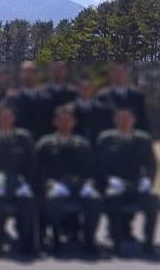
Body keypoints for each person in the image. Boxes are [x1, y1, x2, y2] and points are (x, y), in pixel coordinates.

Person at [35, 105, 101, 254]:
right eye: (61, 120)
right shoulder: (45, 143)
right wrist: (48, 183)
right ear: (54, 122)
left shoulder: (82, 144)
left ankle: (89, 239)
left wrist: (88, 183)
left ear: (74, 122)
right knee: (54, 200)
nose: (65, 123)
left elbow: (91, 168)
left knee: (94, 199)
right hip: (55, 184)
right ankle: (56, 238)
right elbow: (38, 169)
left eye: (68, 120)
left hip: (79, 184)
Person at [97, 107, 158, 255]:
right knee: (112, 198)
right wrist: (108, 180)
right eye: (121, 119)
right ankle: (117, 243)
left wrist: (147, 180)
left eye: (127, 119)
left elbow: (151, 164)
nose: (124, 122)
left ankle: (149, 243)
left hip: (137, 182)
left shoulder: (143, 139)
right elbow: (99, 164)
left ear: (133, 120)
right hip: (115, 183)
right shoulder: (105, 139)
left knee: (152, 200)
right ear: (115, 120)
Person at [0, 103, 37, 256]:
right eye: (2, 116)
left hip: (19, 181)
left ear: (14, 118)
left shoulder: (24, 137)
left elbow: (32, 164)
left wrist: (27, 184)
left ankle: (26, 244)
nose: (5, 119)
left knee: (27, 202)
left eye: (8, 116)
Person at [5, 61, 53, 140]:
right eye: (25, 72)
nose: (28, 76)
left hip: (40, 138)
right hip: (18, 139)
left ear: (36, 75)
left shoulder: (46, 98)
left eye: (31, 73)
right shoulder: (13, 97)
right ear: (20, 75)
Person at [96, 63, 149, 131]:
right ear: (110, 75)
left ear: (126, 73)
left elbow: (142, 119)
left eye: (121, 71)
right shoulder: (102, 96)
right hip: (110, 135)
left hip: (134, 134)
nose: (119, 75)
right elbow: (100, 120)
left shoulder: (138, 95)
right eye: (115, 72)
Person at [72, 75, 112, 143]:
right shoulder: (69, 109)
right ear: (77, 89)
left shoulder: (103, 108)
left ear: (93, 89)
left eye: (88, 87)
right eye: (83, 88)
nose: (86, 90)